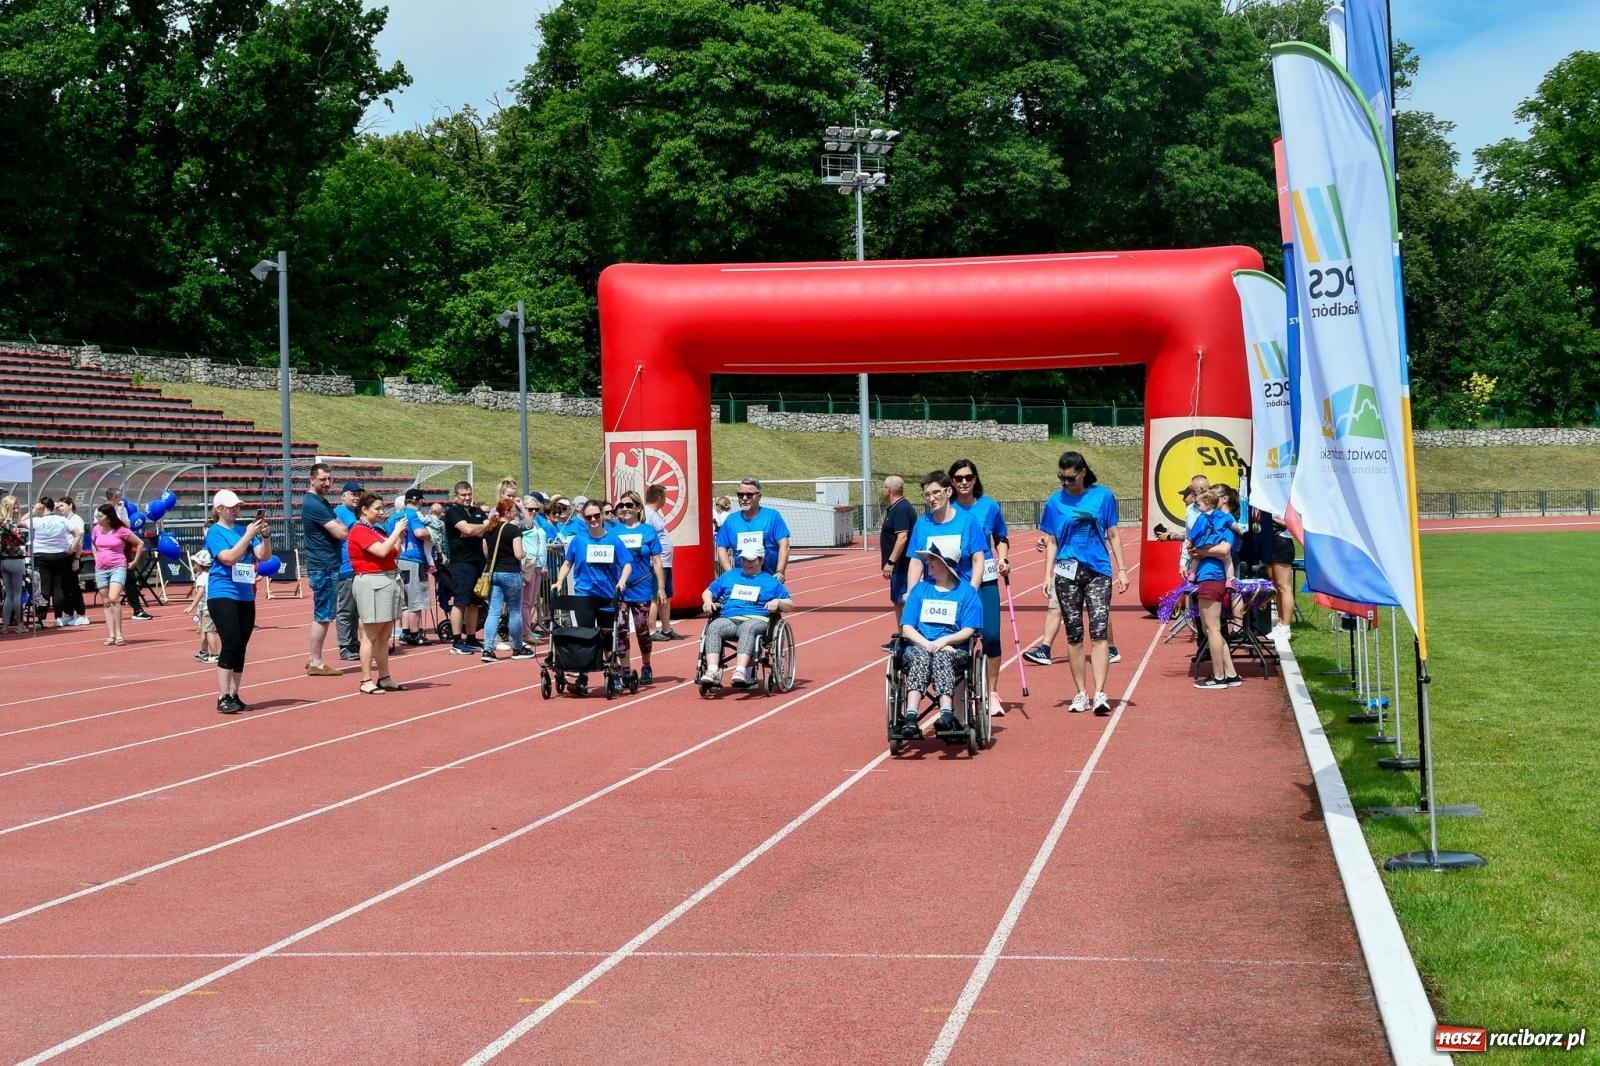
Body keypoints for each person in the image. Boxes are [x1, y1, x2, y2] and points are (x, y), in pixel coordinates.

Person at [1039, 451, 1129, 716]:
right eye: (1061, 478)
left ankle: (1100, 692)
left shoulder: (1103, 496)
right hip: (1067, 573)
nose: (1066, 482)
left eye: (1070, 478)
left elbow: (1112, 533)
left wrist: (1122, 569)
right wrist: (1047, 575)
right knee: (1074, 634)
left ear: (1083, 473)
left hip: (1098, 570)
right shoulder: (1055, 502)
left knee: (1099, 631)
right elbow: (1052, 540)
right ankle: (1081, 693)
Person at [892, 543, 984, 739]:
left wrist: (944, 641)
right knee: (921, 657)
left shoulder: (966, 593)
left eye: (933, 559)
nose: (928, 562)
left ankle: (946, 714)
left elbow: (969, 629)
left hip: (954, 649)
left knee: (942, 657)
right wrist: (927, 645)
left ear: (946, 563)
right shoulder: (919, 590)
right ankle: (910, 717)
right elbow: (907, 628)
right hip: (919, 646)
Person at [949, 458, 1011, 718]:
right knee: (958, 641)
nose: (964, 482)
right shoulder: (946, 509)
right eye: (959, 478)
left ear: (975, 479)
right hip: (954, 582)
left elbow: (1001, 537)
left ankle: (992, 692)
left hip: (985, 579)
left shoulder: (989, 506)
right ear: (951, 482)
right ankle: (958, 696)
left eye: (969, 477)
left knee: (992, 636)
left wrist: (1003, 558)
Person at [553, 499, 632, 695]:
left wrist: (622, 581)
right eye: (589, 517)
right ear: (584, 518)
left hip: (607, 597)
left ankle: (614, 673)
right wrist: (560, 581)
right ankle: (582, 678)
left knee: (607, 637)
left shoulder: (613, 539)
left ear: (602, 516)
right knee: (585, 637)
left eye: (597, 515)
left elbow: (627, 564)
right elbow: (567, 563)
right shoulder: (578, 540)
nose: (593, 519)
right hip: (584, 596)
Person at [203, 489, 272, 714]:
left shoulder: (243, 530)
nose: (236, 510)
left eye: (238, 506)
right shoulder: (214, 532)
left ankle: (234, 694)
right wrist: (247, 537)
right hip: (222, 592)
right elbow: (229, 558)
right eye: (232, 507)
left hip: (244, 594)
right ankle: (222, 696)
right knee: (231, 642)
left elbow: (264, 556)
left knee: (241, 646)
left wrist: (265, 536)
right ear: (219, 509)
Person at [699, 542, 793, 689]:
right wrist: (708, 601)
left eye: (751, 560)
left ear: (761, 560)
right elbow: (708, 591)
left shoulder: (771, 581)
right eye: (744, 560)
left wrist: (778, 602)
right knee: (714, 627)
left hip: (757, 619)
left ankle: (741, 671)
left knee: (747, 628)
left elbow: (790, 604)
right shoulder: (730, 576)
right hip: (729, 618)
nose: (747, 563)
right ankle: (712, 671)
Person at [346, 491, 408, 692]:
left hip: (387, 579)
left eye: (382, 508)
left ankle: (385, 677)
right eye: (377, 509)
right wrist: (394, 532)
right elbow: (381, 551)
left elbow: (394, 551)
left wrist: (398, 536)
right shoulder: (359, 530)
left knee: (384, 636)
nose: (381, 512)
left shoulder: (375, 529)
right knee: (370, 636)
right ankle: (365, 680)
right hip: (371, 582)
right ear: (364, 510)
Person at [1189, 488, 1242, 689]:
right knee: (1213, 629)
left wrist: (1199, 550)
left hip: (1212, 577)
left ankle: (1218, 677)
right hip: (1212, 576)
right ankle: (1230, 673)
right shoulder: (1219, 521)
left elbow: (1224, 550)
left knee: (1212, 629)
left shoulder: (1224, 521)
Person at [299, 462, 348, 675]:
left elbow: (341, 527)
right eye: (323, 479)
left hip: (327, 563)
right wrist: (340, 528)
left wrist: (340, 527)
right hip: (323, 565)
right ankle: (316, 661)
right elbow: (341, 533)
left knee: (325, 613)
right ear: (312, 479)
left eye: (330, 479)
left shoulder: (322, 501)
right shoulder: (314, 503)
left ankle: (314, 658)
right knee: (323, 614)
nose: (327, 483)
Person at [444, 480, 503, 656]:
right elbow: (467, 530)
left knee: (475, 603)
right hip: (462, 562)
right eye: (463, 495)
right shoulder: (453, 512)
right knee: (461, 601)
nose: (467, 498)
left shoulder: (477, 511)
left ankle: (470, 637)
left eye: (469, 494)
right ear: (456, 496)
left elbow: (490, 529)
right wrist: (478, 528)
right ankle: (456, 640)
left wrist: (477, 529)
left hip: (479, 562)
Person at [904, 470, 985, 591]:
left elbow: (978, 559)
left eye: (936, 492)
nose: (931, 498)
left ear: (949, 491)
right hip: (932, 595)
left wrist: (972, 590)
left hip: (963, 592)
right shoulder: (922, 524)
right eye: (927, 494)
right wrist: (911, 594)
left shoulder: (968, 521)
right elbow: (916, 561)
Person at [613, 490, 664, 684]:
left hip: (641, 586)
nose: (625, 509)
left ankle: (646, 665)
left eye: (629, 505)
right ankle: (625, 669)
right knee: (621, 629)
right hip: (620, 588)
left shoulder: (647, 531)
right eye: (622, 505)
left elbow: (657, 561)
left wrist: (661, 588)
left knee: (643, 629)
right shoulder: (614, 531)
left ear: (637, 508)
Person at [479, 498, 534, 663]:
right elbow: (518, 554)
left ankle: (488, 649)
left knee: (494, 611)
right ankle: (517, 647)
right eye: (514, 510)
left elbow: (486, 553)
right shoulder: (513, 529)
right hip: (511, 572)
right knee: (514, 611)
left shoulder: (489, 528)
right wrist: (525, 554)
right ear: (508, 512)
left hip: (494, 572)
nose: (516, 513)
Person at [714, 479, 791, 579]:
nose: (744, 498)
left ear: (759, 497)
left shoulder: (772, 516)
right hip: (741, 580)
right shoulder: (731, 520)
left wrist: (780, 571)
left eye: (749, 495)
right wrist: (730, 573)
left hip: (769, 579)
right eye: (740, 495)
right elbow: (722, 548)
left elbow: (784, 544)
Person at [90, 502, 141, 646]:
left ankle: (119, 633)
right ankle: (111, 635)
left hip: (117, 566)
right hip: (101, 568)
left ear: (108, 517)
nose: (97, 519)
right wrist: (96, 558)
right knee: (106, 602)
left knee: (114, 597)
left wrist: (135, 561)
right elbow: (94, 544)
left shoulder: (121, 530)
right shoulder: (96, 530)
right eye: (97, 516)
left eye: (100, 516)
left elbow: (139, 543)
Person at [878, 475, 916, 651]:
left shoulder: (900, 509)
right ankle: (903, 636)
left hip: (903, 566)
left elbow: (902, 538)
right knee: (898, 601)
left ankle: (906, 639)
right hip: (901, 566)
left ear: (888, 490)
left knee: (902, 601)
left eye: (883, 488)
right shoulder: (897, 508)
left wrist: (891, 562)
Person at [393, 487, 432, 646]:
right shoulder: (414, 515)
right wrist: (431, 535)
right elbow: (419, 533)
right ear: (420, 501)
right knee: (416, 597)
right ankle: (415, 634)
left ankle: (405, 631)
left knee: (404, 598)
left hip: (397, 558)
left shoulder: (394, 517)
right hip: (414, 558)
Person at [644, 483, 684, 640]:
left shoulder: (654, 514)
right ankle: (651, 630)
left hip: (665, 562)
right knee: (655, 595)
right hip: (656, 562)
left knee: (666, 595)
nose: (666, 501)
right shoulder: (647, 514)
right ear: (659, 498)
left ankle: (666, 628)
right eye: (665, 497)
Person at [29, 496, 76, 628]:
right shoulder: (62, 520)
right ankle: (58, 618)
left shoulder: (37, 520)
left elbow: (21, 522)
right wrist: (71, 549)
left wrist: (33, 510)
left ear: (42, 507)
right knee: (58, 587)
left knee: (44, 587)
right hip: (60, 554)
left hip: (42, 555)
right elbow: (78, 533)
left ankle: (42, 618)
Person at [333, 480, 363, 661]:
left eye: (359, 494)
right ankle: (345, 646)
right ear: (343, 495)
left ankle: (353, 643)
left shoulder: (352, 513)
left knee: (355, 611)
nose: (357, 497)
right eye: (353, 494)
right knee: (346, 609)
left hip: (355, 567)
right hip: (345, 567)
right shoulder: (341, 512)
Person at [56, 496, 89, 626]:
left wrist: (76, 558)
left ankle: (81, 614)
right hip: (63, 554)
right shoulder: (62, 520)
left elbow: (79, 540)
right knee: (64, 586)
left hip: (73, 554)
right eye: (58, 507)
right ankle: (69, 613)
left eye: (62, 506)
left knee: (73, 586)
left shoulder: (76, 519)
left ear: (70, 505)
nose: (60, 509)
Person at [184, 549, 219, 662]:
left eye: (195, 563)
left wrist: (191, 606)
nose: (194, 565)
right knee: (204, 630)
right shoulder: (213, 575)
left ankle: (215, 654)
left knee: (209, 631)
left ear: (200, 565)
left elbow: (200, 592)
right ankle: (204, 651)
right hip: (212, 606)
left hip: (206, 607)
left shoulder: (201, 577)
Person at [1267, 514, 1297, 641]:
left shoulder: (1283, 502)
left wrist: (1270, 519)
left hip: (1282, 541)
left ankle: (1286, 626)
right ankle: (1281, 623)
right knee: (1277, 586)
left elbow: (1292, 524)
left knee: (1284, 586)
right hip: (1270, 541)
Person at [1, 495, 27, 633]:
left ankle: (5, 626)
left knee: (9, 595)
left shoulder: (2, 523)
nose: (16, 510)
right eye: (14, 507)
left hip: (3, 560)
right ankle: (20, 625)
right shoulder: (10, 523)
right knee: (17, 594)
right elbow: (22, 539)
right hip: (15, 560)